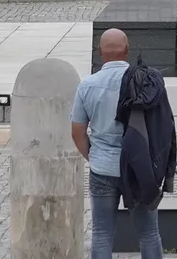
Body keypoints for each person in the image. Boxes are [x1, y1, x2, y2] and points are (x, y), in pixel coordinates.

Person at [71, 29, 161, 259]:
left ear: (100, 52)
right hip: (139, 168)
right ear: (127, 50)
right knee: (149, 233)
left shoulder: (87, 86)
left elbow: (77, 131)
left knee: (101, 234)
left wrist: (93, 156)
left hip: (102, 167)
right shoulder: (145, 82)